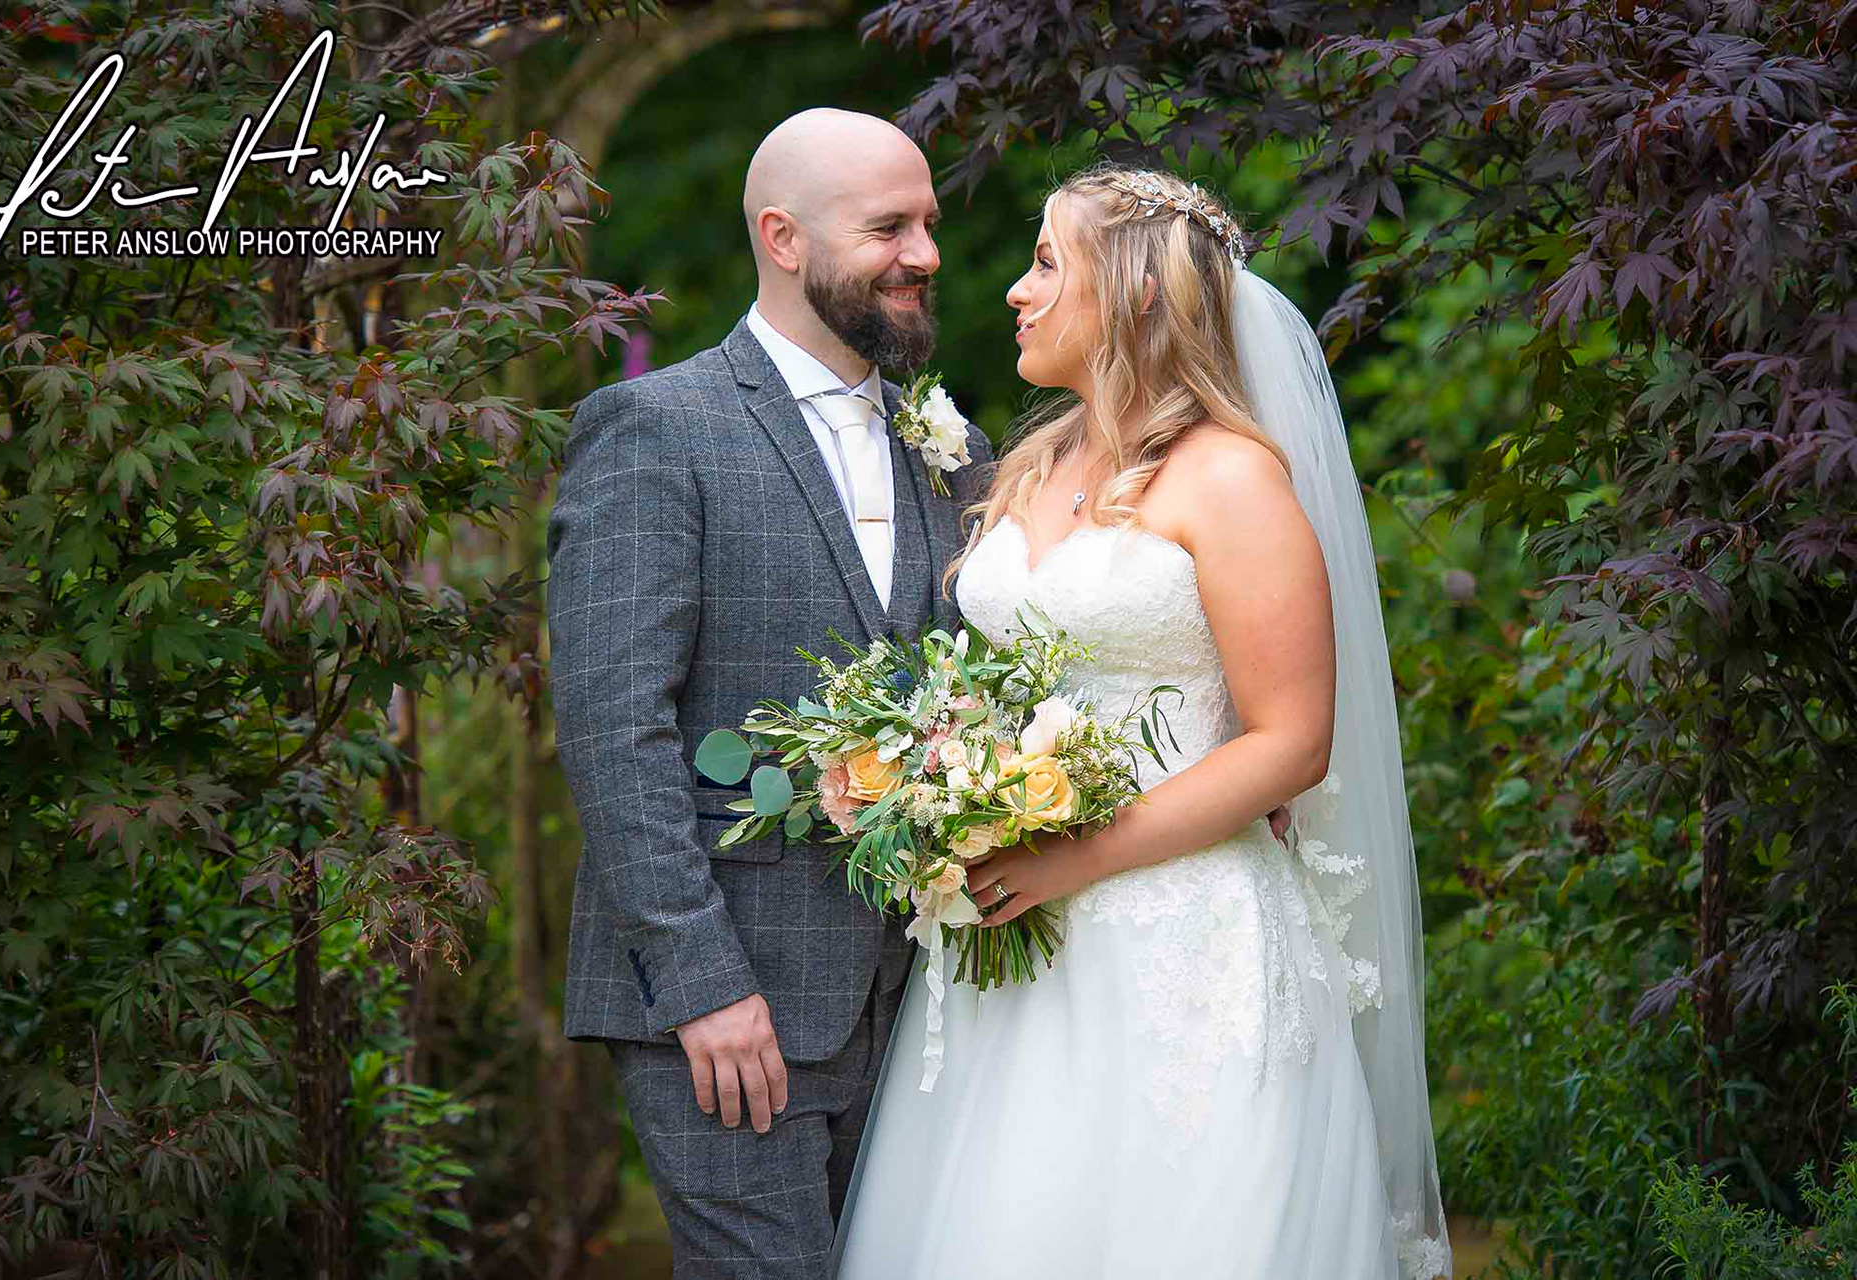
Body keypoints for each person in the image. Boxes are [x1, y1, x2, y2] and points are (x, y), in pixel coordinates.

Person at [829, 164, 1452, 1278]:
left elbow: (1292, 741)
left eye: (1046, 264)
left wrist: (1074, 855)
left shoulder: (1231, 480)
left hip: (1187, 943)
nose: (1016, 291)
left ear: (1137, 290)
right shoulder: (1032, 464)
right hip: (1014, 945)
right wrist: (943, 775)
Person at [545, 108, 991, 1276]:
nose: (925, 253)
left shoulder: (953, 448)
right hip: (731, 1006)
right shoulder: (654, 428)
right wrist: (702, 985)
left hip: (923, 1005)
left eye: (930, 223)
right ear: (783, 238)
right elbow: (615, 729)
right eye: (888, 227)